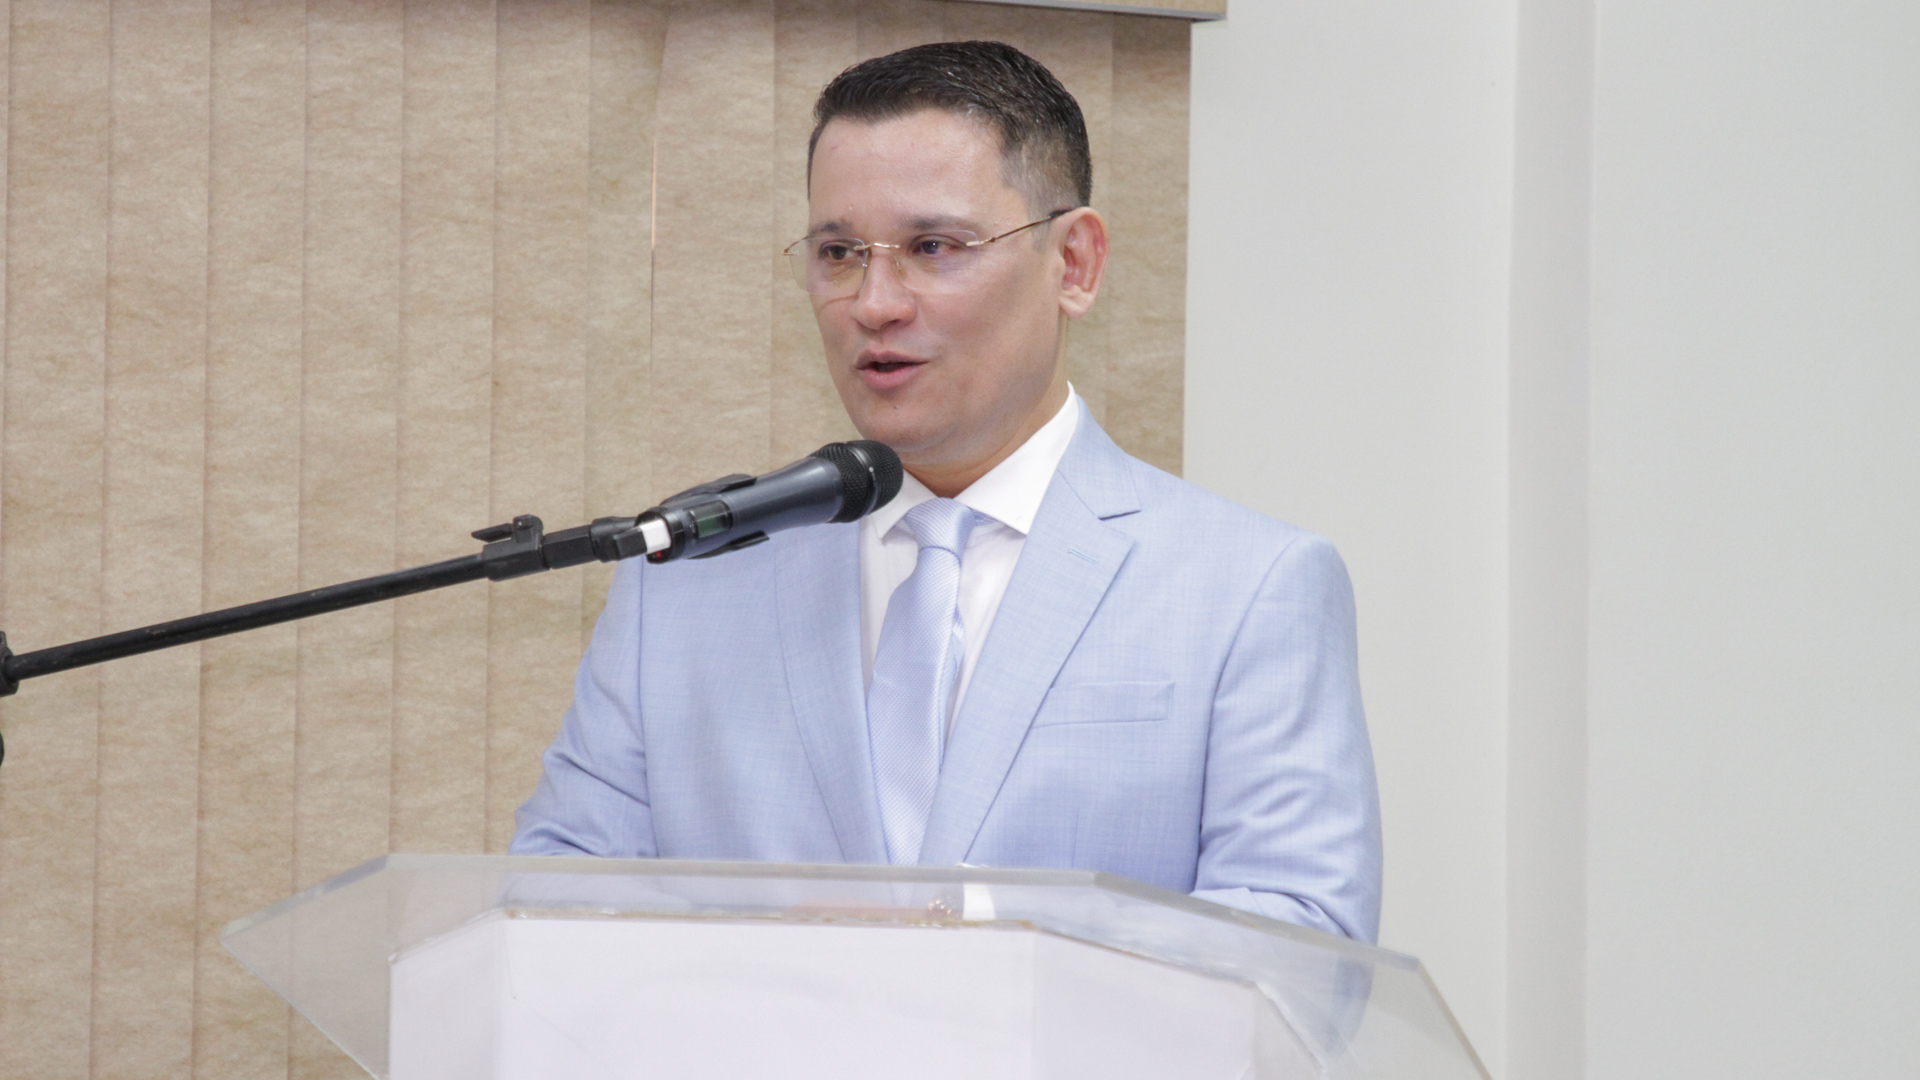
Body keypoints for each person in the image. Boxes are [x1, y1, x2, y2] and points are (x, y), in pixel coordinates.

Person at [512, 41, 1382, 943]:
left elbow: (1303, 939)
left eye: (934, 247)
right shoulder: (687, 578)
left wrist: (985, 930)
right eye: (839, 252)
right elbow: (551, 905)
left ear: (1075, 263)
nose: (875, 302)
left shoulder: (1249, 586)